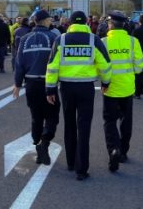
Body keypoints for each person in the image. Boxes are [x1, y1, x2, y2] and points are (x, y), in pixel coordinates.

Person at [46, 11, 111, 181]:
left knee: (69, 125)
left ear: (70, 23)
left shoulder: (61, 39)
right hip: (86, 88)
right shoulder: (93, 40)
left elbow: (52, 66)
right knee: (84, 128)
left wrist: (50, 89)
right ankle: (82, 169)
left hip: (66, 88)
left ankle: (70, 162)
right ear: (87, 23)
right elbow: (105, 64)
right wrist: (106, 82)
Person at [13, 10, 59, 165]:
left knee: (36, 117)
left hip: (31, 84)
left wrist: (17, 84)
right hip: (48, 83)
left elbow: (19, 64)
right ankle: (44, 142)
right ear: (45, 21)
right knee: (52, 116)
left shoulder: (25, 39)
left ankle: (38, 145)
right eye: (49, 19)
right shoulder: (54, 37)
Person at [102, 11, 143, 171]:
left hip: (110, 88)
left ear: (111, 24)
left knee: (110, 121)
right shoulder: (133, 42)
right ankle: (124, 152)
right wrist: (130, 71)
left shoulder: (104, 42)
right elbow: (140, 65)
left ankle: (114, 149)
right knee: (126, 121)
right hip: (127, 87)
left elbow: (99, 65)